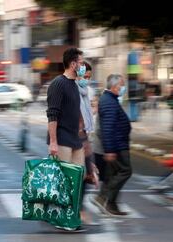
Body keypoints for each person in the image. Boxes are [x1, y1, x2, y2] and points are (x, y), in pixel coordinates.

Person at [46, 47, 86, 231]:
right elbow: (52, 115)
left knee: (78, 178)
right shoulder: (58, 84)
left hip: (75, 139)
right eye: (81, 62)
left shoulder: (75, 84)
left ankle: (68, 215)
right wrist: (53, 142)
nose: (83, 66)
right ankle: (64, 218)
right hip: (61, 138)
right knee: (65, 181)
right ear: (73, 64)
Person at [91, 74, 132, 216]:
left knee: (113, 174)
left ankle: (110, 205)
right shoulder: (108, 101)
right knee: (125, 171)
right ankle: (102, 197)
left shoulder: (110, 99)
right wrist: (109, 150)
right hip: (116, 145)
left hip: (117, 144)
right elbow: (107, 127)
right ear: (115, 86)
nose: (123, 88)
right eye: (122, 85)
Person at [76, 61, 99, 224]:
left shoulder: (89, 91)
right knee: (81, 176)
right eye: (85, 76)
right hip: (76, 139)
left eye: (89, 77)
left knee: (87, 175)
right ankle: (79, 210)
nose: (87, 80)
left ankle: (79, 209)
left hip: (86, 137)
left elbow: (94, 108)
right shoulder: (72, 90)